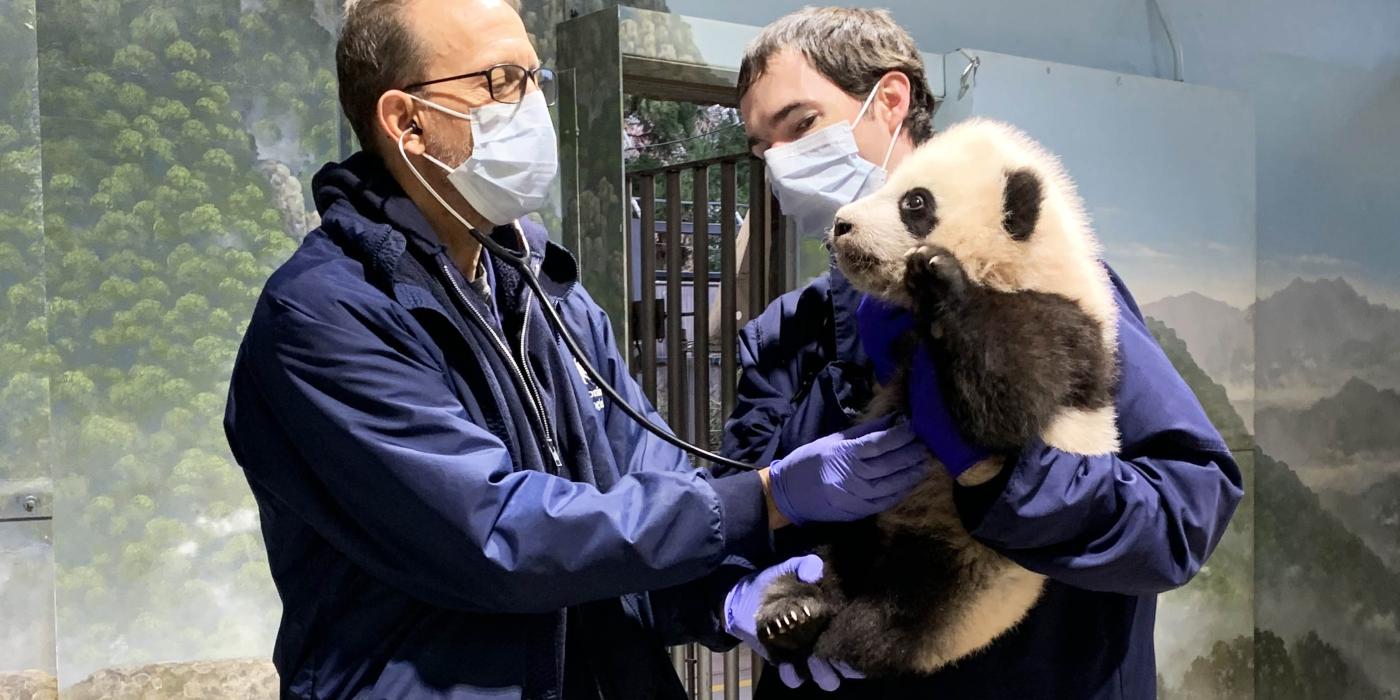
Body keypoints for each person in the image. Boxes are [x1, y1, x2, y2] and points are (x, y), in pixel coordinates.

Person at [221, 1, 932, 698]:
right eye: (498, 82)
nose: (530, 105)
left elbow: (645, 478)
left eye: (534, 77)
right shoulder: (322, 318)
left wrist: (725, 601)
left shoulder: (542, 288)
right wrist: (764, 497)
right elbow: (499, 536)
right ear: (406, 121)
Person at [721, 7, 1245, 699]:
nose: (781, 163)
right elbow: (745, 514)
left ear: (892, 101)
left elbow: (1185, 508)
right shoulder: (785, 335)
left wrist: (1005, 479)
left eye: (801, 125)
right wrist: (748, 592)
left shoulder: (1056, 285)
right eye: (763, 148)